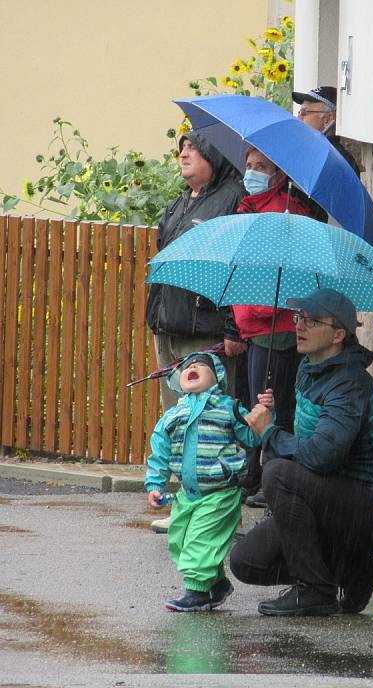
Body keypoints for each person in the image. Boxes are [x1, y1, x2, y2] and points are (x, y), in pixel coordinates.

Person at [229, 289, 373, 616]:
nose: (299, 326)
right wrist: (271, 420)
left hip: (367, 510)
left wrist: (271, 435)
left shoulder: (349, 383)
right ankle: (355, 572)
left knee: (277, 474)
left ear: (338, 334)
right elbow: (307, 441)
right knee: (245, 561)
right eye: (299, 318)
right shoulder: (308, 368)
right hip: (325, 498)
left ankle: (315, 590)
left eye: (312, 320)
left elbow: (322, 455)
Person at [145, 130, 247, 533]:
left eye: (194, 148)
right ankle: (186, 506)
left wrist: (234, 326)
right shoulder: (180, 203)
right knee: (178, 421)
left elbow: (239, 267)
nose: (184, 153)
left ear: (215, 156)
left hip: (204, 331)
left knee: (212, 427)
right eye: (182, 147)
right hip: (169, 325)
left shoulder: (232, 199)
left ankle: (217, 512)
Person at [145, 351, 272, 611]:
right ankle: (216, 585)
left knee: (201, 542)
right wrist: (155, 485)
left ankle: (197, 593)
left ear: (217, 378)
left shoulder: (228, 408)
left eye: (201, 365)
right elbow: (160, 451)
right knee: (179, 542)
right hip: (189, 494)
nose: (192, 366)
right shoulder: (173, 415)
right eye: (188, 366)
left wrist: (265, 415)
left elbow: (251, 438)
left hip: (220, 492)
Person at [234, 146, 314, 507]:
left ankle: (275, 479)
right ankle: (258, 475)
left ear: (279, 174)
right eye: (249, 166)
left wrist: (260, 307)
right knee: (258, 404)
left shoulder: (286, 213)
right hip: (253, 325)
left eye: (261, 167)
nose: (252, 172)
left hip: (275, 327)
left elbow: (288, 278)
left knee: (274, 406)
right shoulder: (249, 207)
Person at [292, 85, 361, 175]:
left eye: (304, 113)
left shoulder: (336, 160)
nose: (298, 118)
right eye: (299, 112)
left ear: (328, 119)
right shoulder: (308, 151)